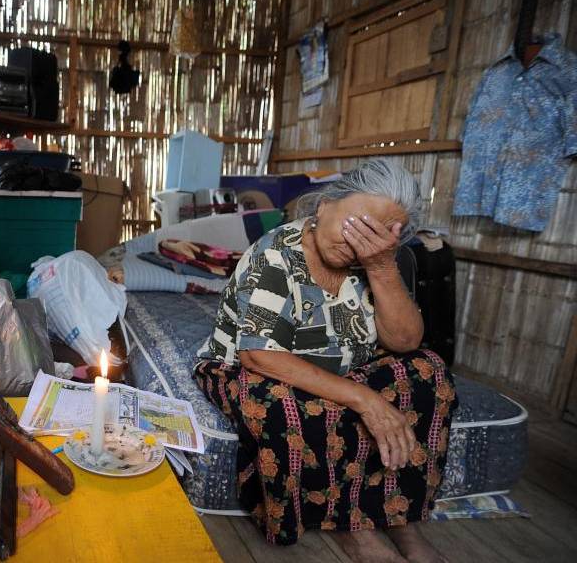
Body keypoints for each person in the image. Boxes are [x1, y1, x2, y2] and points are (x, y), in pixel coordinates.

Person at [194, 159, 456, 563]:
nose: (359, 244)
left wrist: (382, 266)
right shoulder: (277, 254)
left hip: (343, 368)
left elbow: (405, 341)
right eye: (355, 225)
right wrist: (364, 399)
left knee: (427, 372)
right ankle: (349, 526)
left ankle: (400, 515)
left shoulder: (375, 260)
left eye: (377, 237)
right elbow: (259, 355)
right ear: (323, 207)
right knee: (284, 402)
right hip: (251, 368)